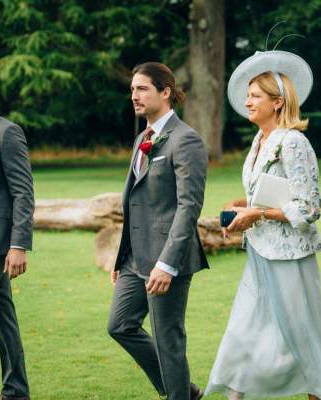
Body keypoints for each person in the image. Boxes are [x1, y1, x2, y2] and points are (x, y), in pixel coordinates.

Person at [205, 50, 321, 400]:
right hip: (259, 252)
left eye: (255, 96)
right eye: (248, 95)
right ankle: (235, 395)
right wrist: (240, 205)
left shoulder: (294, 142)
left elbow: (310, 208)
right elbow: (266, 193)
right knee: (244, 328)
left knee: (300, 334)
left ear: (278, 103)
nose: (246, 101)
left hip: (289, 258)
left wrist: (257, 214)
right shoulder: (258, 141)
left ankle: (320, 394)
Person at [107, 62, 209, 400]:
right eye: (132, 89)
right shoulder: (141, 138)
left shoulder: (186, 140)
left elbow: (188, 206)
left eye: (142, 89)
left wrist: (167, 264)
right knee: (120, 325)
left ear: (165, 92)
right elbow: (135, 201)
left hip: (168, 258)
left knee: (168, 339)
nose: (133, 95)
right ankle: (183, 391)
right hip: (135, 259)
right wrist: (123, 256)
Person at [0, 109, 35, 400]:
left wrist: (18, 245)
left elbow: (23, 192)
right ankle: (16, 392)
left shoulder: (6, 132)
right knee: (2, 320)